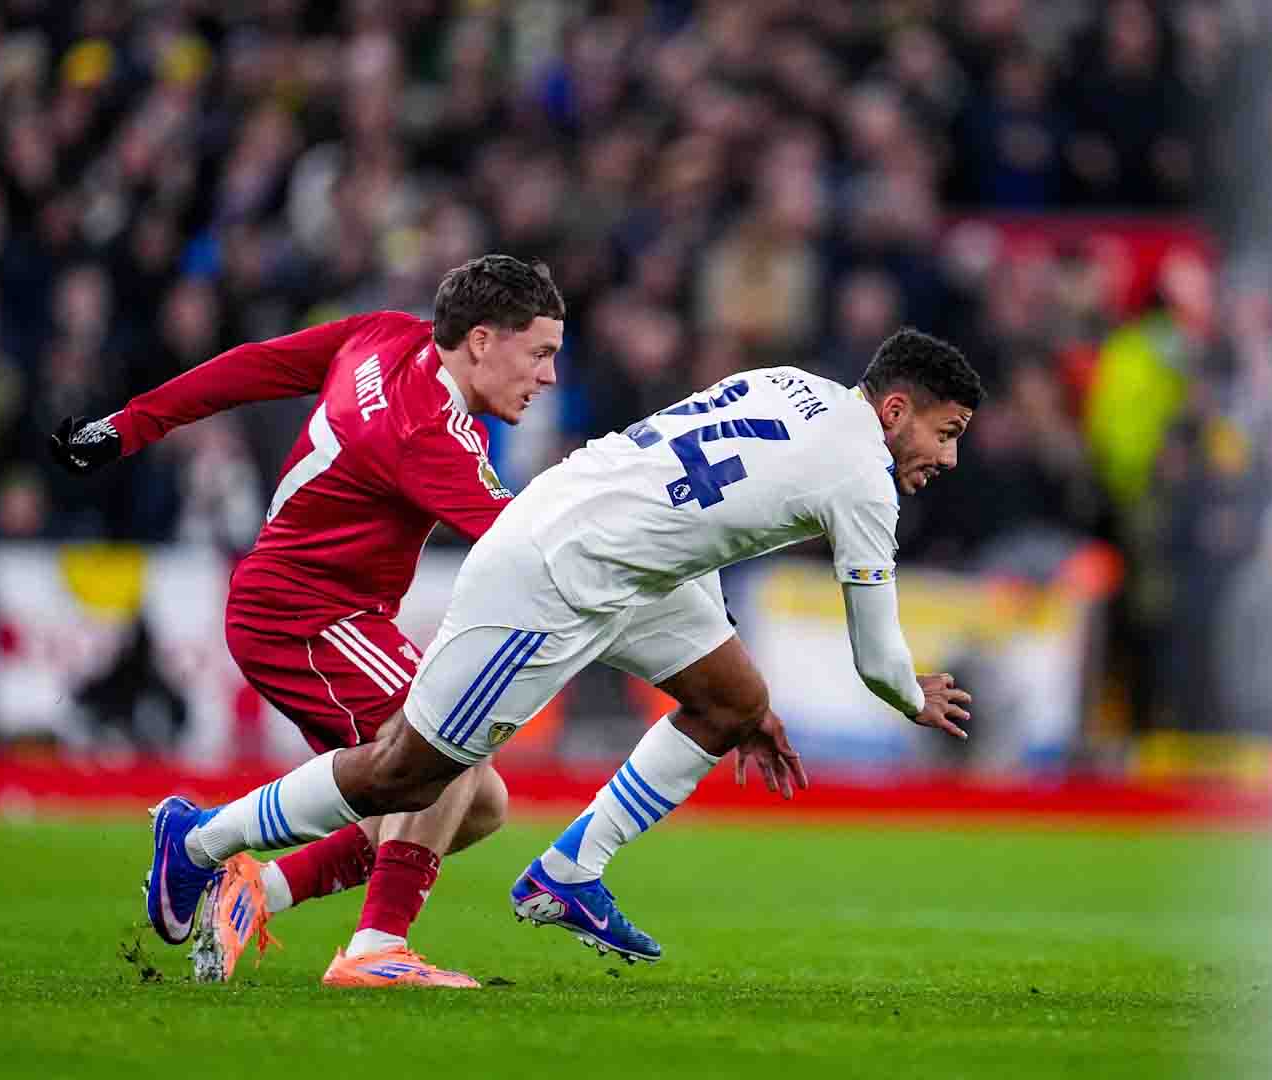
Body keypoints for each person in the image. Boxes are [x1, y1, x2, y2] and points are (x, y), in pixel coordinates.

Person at [144, 327, 982, 964]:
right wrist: (914, 694)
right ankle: (197, 842)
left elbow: (687, 512)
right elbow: (877, 661)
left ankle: (569, 871)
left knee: (734, 702)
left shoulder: (790, 383)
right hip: (558, 573)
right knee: (413, 770)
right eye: (945, 434)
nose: (948, 458)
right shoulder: (863, 476)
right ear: (895, 410)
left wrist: (724, 656)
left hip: (616, 546)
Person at [50, 254, 564, 988]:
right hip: (305, 611)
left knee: (478, 804)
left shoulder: (386, 337)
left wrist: (130, 425)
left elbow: (255, 367)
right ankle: (360, 938)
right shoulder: (432, 434)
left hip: (313, 605)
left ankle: (257, 888)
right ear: (482, 341)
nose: (546, 377)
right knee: (443, 743)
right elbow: (537, 550)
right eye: (539, 353)